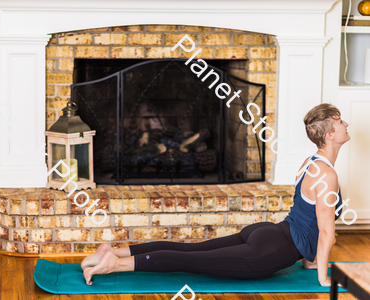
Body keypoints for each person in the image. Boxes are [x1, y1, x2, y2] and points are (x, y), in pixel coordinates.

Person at [81, 103, 350, 287]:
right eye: (340, 123)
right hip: (269, 250)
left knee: (190, 250)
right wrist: (323, 278)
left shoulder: (310, 163)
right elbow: (324, 231)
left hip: (266, 232)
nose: (346, 124)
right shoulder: (328, 176)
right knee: (189, 260)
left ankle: (112, 251)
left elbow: (307, 220)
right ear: (329, 135)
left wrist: (309, 262)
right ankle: (114, 264)